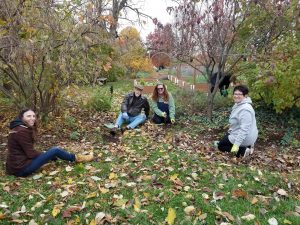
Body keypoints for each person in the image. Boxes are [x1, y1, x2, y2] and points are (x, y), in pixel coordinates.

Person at [6, 109, 94, 177]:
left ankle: (61, 157)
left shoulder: (17, 128)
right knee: (55, 150)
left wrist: (46, 155)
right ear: (22, 118)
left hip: (14, 168)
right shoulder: (22, 131)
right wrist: (47, 154)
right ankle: (77, 158)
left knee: (51, 152)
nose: (32, 118)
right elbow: (31, 154)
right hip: (21, 169)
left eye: (33, 116)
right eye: (28, 116)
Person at [217, 85, 258, 157]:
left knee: (221, 146)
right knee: (227, 135)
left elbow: (244, 130)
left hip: (246, 137)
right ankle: (247, 146)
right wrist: (232, 124)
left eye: (239, 94)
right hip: (246, 134)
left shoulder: (245, 109)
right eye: (235, 94)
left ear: (245, 96)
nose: (236, 96)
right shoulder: (240, 104)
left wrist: (236, 145)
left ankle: (243, 150)